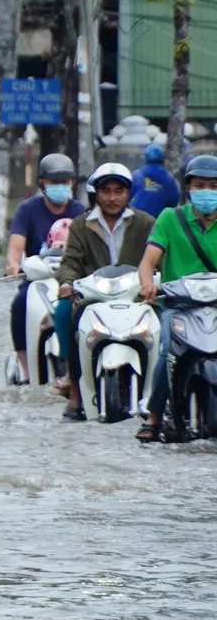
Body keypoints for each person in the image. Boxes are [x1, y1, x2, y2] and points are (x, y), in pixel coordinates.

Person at [53, 163, 156, 421]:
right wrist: (67, 283)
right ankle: (76, 390)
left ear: (128, 193)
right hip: (94, 296)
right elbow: (70, 262)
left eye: (118, 191)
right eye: (106, 191)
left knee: (162, 323)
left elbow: (158, 258)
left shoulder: (146, 223)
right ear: (96, 193)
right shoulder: (81, 225)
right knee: (66, 313)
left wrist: (154, 283)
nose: (112, 197)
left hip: (136, 295)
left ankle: (163, 391)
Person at [135, 154, 217, 442]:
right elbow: (148, 262)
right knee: (168, 350)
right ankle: (154, 415)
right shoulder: (171, 218)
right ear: (189, 188)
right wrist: (147, 285)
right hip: (179, 306)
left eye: (213, 185)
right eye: (199, 185)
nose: (206, 191)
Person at [6, 153, 88, 380]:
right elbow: (15, 246)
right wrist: (13, 265)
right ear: (42, 183)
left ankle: (77, 365)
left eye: (65, 182)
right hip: (37, 278)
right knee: (20, 304)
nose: (60, 187)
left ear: (72, 183)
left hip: (72, 278)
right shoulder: (27, 210)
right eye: (54, 182)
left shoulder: (80, 211)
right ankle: (25, 365)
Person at [131, 144, 181, 220]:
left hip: (138, 219)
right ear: (162, 158)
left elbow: (127, 197)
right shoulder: (169, 178)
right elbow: (174, 200)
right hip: (160, 220)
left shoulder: (136, 175)